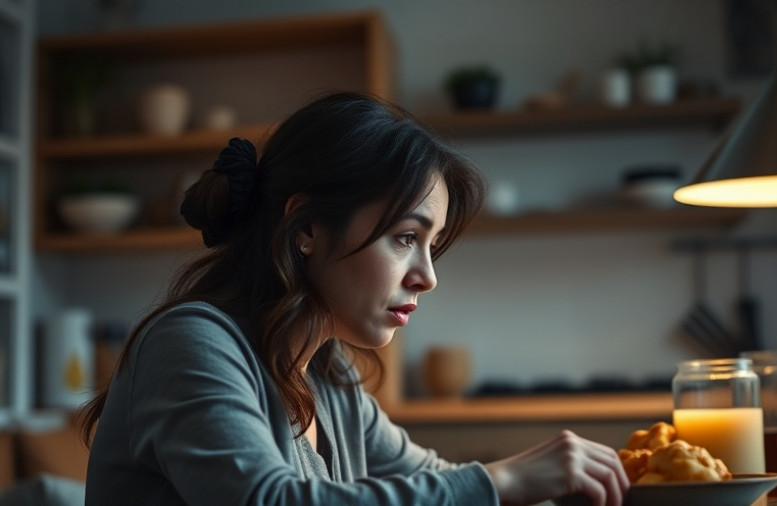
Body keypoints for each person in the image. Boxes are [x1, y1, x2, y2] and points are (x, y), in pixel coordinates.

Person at [79, 92, 629, 505]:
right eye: (407, 238)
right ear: (307, 226)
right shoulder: (190, 342)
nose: (427, 277)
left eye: (431, 245)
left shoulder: (327, 376)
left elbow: (432, 479)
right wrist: (504, 480)